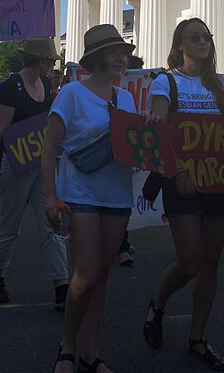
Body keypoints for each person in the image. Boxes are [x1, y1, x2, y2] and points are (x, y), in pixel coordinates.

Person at [142, 18, 224, 372]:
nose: (203, 42)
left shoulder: (220, 86)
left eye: (207, 37)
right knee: (190, 263)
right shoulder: (165, 82)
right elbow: (159, 131)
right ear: (180, 45)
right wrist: (181, 171)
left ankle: (197, 337)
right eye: (195, 37)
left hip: (217, 182)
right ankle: (157, 303)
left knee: (211, 264)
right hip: (182, 181)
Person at [44, 25, 144, 373]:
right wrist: (50, 196)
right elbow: (48, 146)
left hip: (117, 196)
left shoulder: (127, 98)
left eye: (124, 53)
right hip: (80, 194)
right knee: (85, 274)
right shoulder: (72, 93)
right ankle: (67, 346)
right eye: (115, 52)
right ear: (98, 57)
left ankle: (90, 349)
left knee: (102, 272)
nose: (122, 58)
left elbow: (133, 149)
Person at [0, 37, 69, 308]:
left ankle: (62, 285)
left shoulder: (45, 84)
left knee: (52, 223)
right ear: (40, 60)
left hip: (40, 164)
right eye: (50, 61)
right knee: (10, 225)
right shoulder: (12, 87)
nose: (51, 66)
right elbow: (2, 128)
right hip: (17, 163)